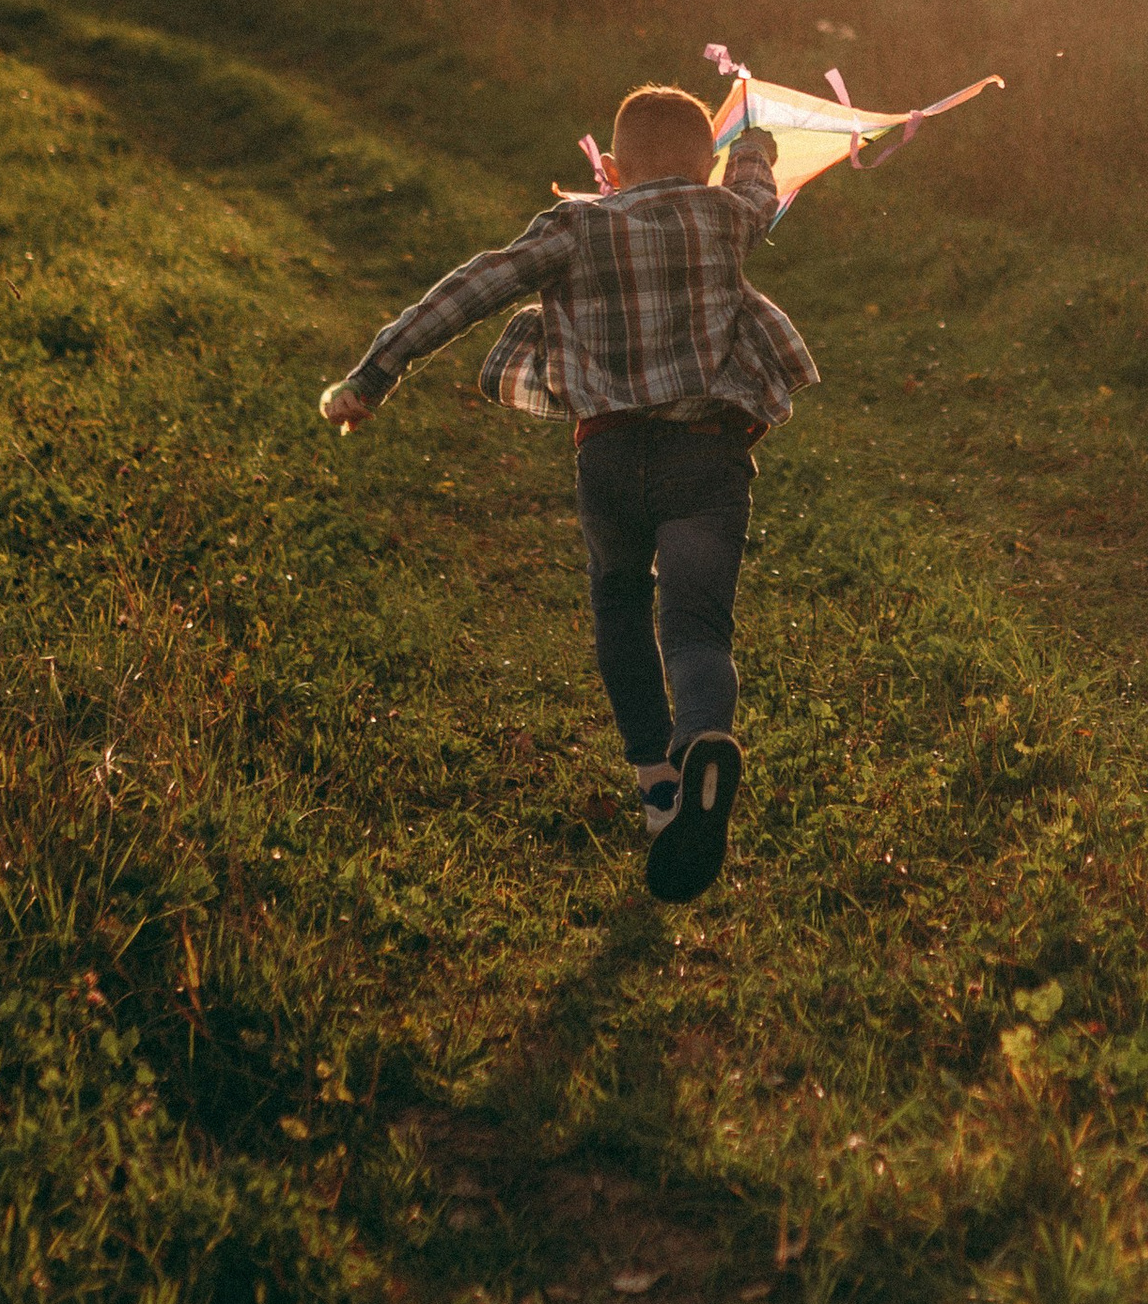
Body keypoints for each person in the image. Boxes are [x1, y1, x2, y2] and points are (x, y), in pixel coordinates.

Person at [318, 85, 803, 903]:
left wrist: (375, 372)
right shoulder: (726, 214)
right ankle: (706, 738)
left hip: (610, 460)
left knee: (619, 604)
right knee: (696, 627)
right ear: (708, 166)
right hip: (706, 457)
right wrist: (752, 140)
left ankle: (658, 786)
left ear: (608, 170)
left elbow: (469, 290)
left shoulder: (574, 225)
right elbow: (760, 186)